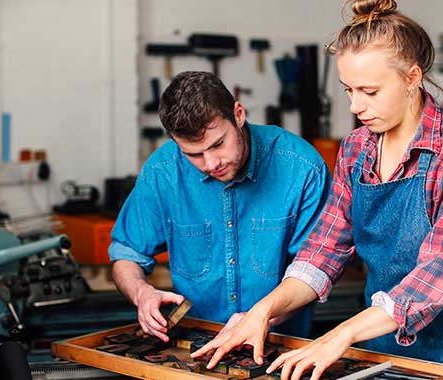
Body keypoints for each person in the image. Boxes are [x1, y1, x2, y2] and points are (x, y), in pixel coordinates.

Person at [192, 1, 443, 380]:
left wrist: (340, 334)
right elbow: (323, 251)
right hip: (380, 341)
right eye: (348, 89)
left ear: (412, 77)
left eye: (369, 91)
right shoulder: (356, 149)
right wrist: (263, 311)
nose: (355, 105)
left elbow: (439, 274)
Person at [109, 71, 331, 342]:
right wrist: (141, 292)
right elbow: (127, 253)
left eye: (218, 144)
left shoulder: (302, 168)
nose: (211, 163)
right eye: (193, 154)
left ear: (238, 114)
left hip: (280, 347)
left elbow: (316, 270)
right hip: (192, 346)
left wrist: (260, 316)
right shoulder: (163, 172)